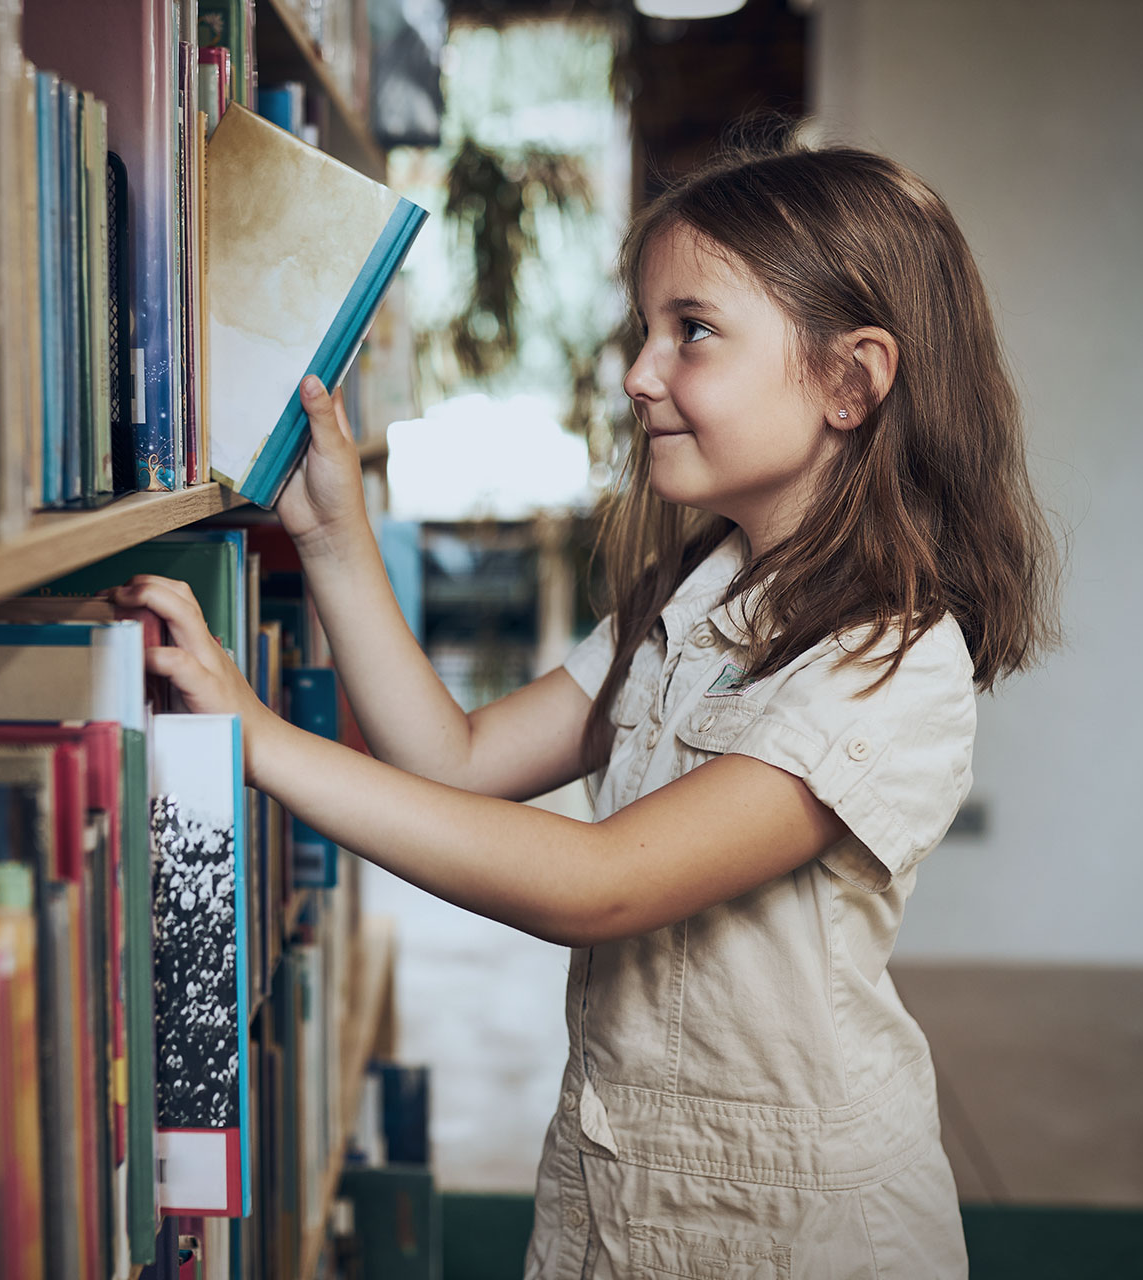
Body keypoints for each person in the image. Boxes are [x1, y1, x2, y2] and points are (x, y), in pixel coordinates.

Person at [110, 141, 1058, 1279]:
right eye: (643, 330)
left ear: (851, 381)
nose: (639, 374)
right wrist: (330, 535)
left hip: (801, 1232)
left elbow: (599, 882)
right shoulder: (688, 598)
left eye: (692, 331)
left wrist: (256, 740)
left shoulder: (890, 658)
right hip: (617, 1186)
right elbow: (457, 760)